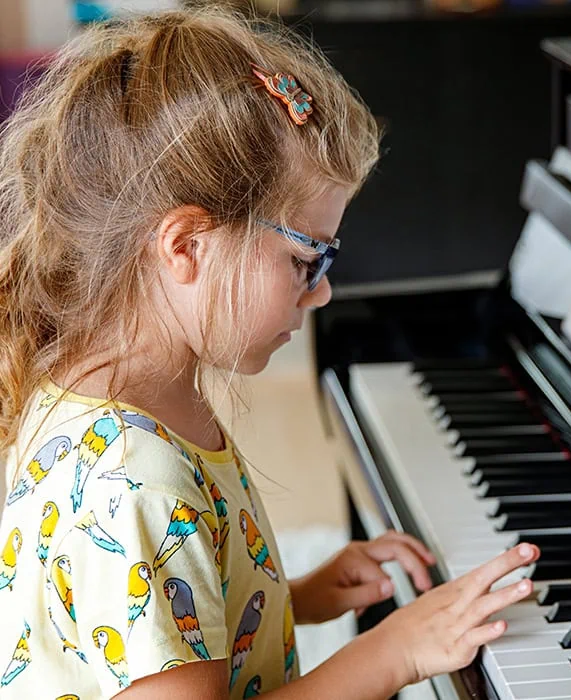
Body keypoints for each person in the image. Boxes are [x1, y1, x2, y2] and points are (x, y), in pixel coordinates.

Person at [0, 7, 540, 699]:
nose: (322, 292)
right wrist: (395, 653)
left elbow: (164, 610)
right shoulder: (135, 481)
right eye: (305, 260)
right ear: (187, 247)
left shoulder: (120, 385)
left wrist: (294, 597)